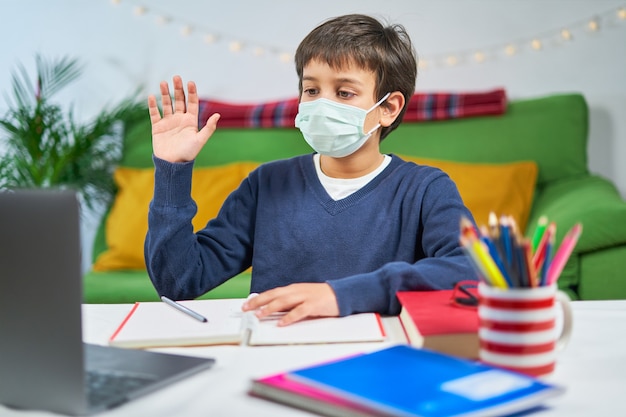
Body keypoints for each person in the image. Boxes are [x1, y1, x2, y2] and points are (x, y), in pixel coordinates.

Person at [145, 14, 475, 327]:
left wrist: (340, 295)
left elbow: (469, 270)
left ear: (388, 108)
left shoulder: (426, 189)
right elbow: (178, 281)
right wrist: (172, 171)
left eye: (344, 92)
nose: (321, 104)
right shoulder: (266, 185)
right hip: (273, 354)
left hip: (375, 359)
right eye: (312, 90)